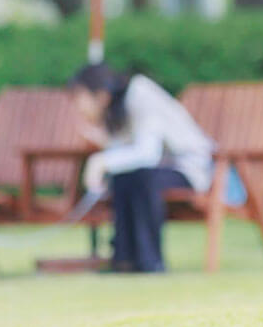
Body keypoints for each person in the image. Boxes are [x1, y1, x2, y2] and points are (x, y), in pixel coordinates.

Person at [68, 63, 215, 273]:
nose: (77, 108)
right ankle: (124, 260)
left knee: (142, 178)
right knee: (124, 178)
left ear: (100, 95)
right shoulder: (117, 110)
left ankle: (150, 261)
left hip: (189, 168)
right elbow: (127, 152)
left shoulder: (140, 93)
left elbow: (148, 154)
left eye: (78, 99)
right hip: (157, 169)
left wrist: (100, 162)